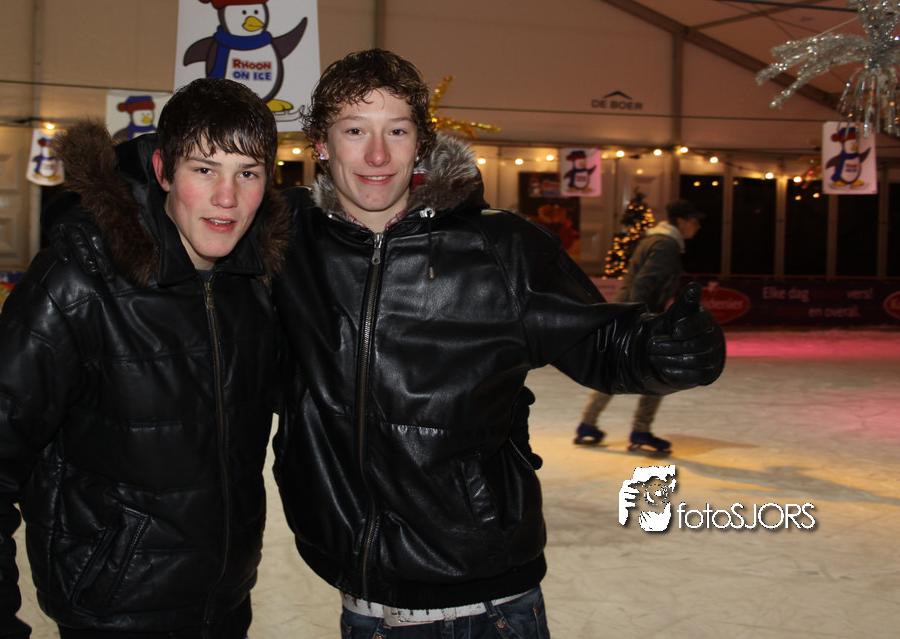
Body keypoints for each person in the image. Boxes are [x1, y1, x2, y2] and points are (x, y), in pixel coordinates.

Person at [270, 49, 725, 639]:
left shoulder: (500, 247)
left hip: (485, 606)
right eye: (355, 131)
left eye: (397, 131)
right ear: (321, 145)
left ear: (421, 142)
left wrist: (670, 349)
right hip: (362, 601)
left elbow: (606, 345)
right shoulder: (285, 243)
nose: (377, 155)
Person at [0, 78, 288, 639]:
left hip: (224, 606)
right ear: (163, 171)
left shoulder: (253, 289)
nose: (227, 196)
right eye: (204, 169)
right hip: (114, 610)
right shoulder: (78, 284)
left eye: (247, 173)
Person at [574, 199, 705, 454]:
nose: (697, 226)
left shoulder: (655, 240)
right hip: (640, 316)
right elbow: (644, 282)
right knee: (660, 373)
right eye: (694, 221)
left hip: (630, 313)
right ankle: (640, 431)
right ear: (680, 222)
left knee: (616, 371)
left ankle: (588, 425)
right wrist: (640, 318)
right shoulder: (666, 245)